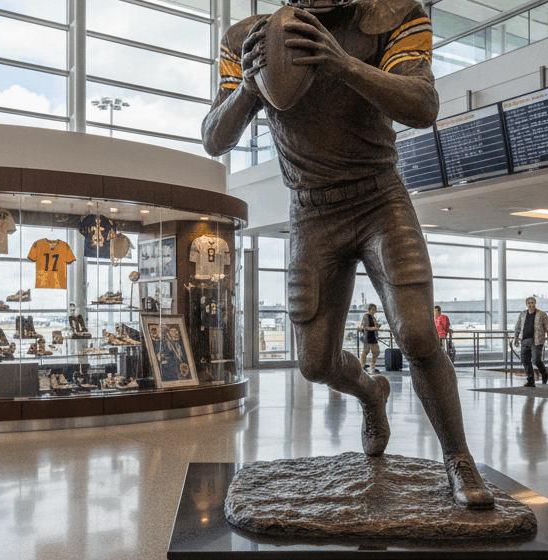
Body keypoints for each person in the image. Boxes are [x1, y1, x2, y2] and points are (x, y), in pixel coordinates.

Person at [202, 0, 493, 507]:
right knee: (314, 364)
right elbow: (213, 138)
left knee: (419, 332)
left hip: (379, 197)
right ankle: (370, 393)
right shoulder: (246, 37)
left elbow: (422, 105)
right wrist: (248, 89)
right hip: (312, 213)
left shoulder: (391, 13)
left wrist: (342, 63)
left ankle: (458, 458)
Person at [513, 297, 548, 387]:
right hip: (524, 341)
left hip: (537, 341)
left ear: (535, 303)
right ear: (526, 304)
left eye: (532, 302)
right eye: (529, 303)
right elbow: (518, 327)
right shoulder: (522, 314)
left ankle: (544, 373)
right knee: (524, 360)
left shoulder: (542, 314)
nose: (531, 305)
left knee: (536, 360)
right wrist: (516, 339)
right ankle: (530, 380)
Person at [358, 304, 381, 373]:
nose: (375, 311)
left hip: (372, 336)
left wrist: (376, 325)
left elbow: (376, 325)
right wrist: (375, 328)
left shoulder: (372, 316)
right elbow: (365, 328)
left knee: (376, 352)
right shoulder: (366, 316)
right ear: (370, 309)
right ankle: (363, 366)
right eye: (373, 309)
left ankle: (371, 366)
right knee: (365, 352)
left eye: (375, 309)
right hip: (368, 336)